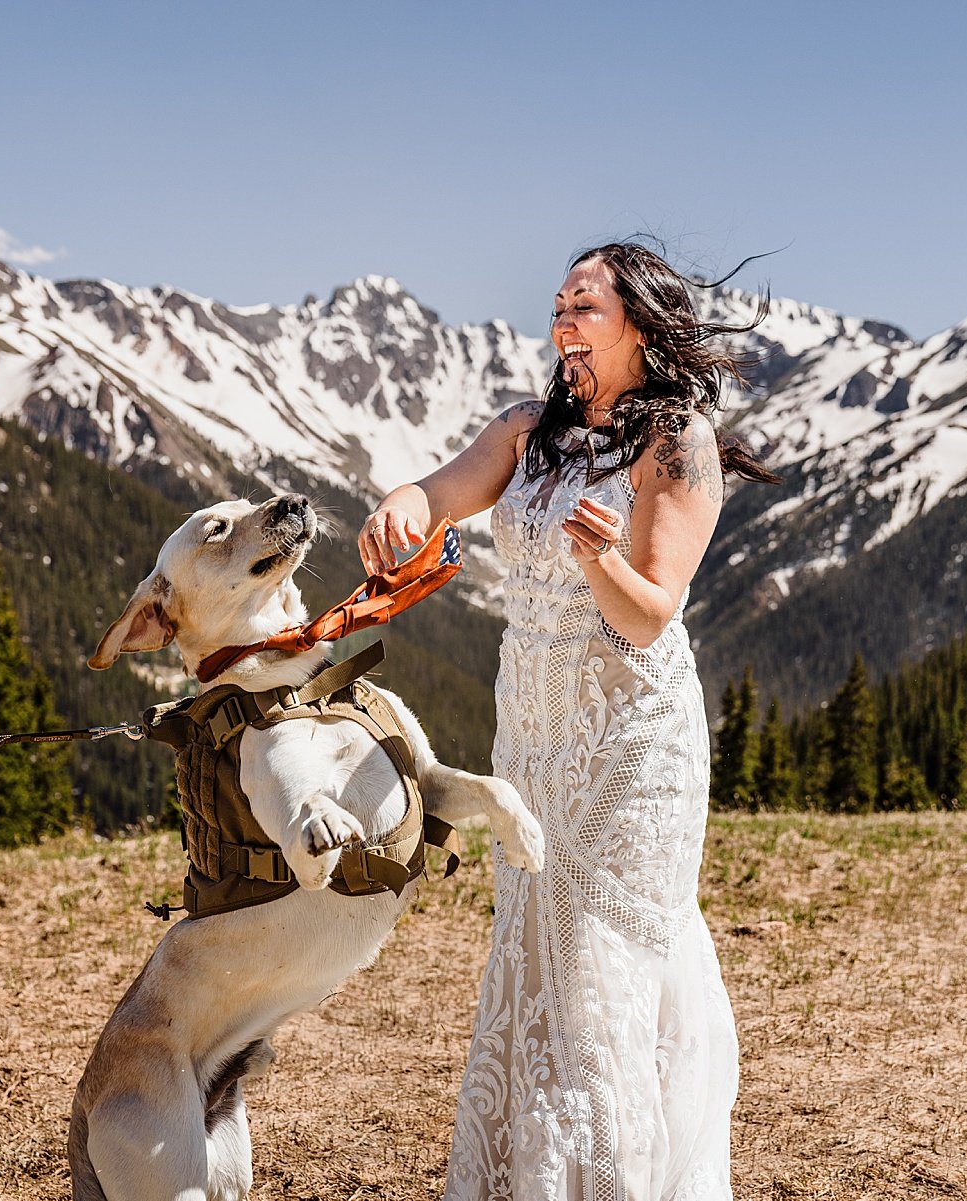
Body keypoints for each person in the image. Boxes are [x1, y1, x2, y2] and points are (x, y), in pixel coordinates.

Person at [358, 241, 777, 1200]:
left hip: (631, 744)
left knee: (600, 962)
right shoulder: (525, 428)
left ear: (638, 323)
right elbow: (439, 492)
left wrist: (601, 562)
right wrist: (400, 508)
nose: (562, 322)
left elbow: (650, 611)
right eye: (558, 305)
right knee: (533, 945)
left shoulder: (679, 441)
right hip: (534, 737)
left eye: (584, 305)